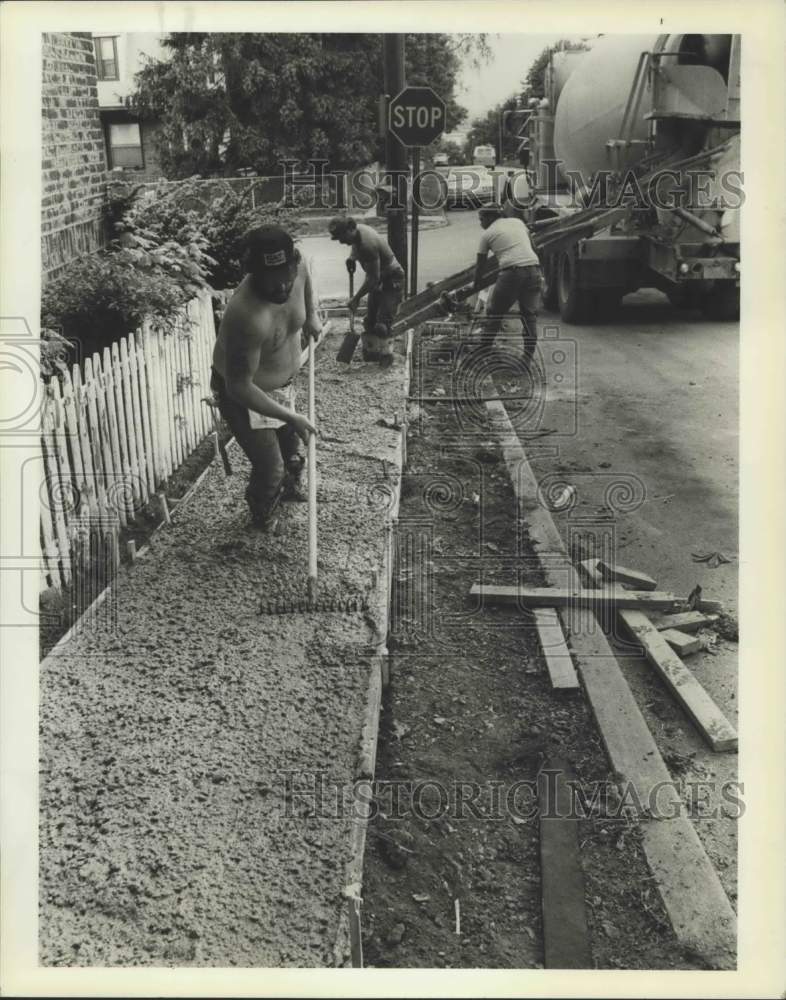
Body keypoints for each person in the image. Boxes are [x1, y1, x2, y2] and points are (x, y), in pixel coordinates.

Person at [211, 225, 321, 529]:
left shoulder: (297, 270)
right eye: (270, 282)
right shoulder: (245, 315)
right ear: (253, 273)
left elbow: (305, 276)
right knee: (270, 466)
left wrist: (310, 314)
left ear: (293, 262)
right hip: (244, 396)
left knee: (290, 450)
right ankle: (261, 514)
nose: (281, 288)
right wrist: (291, 416)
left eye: (285, 277)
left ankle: (289, 489)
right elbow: (239, 387)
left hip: (282, 386)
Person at [328, 215, 405, 366]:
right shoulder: (358, 232)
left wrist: (356, 299)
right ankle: (372, 355)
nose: (341, 241)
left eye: (341, 237)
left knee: (382, 325)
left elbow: (373, 279)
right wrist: (352, 258)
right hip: (379, 278)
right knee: (369, 322)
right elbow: (354, 247)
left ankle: (386, 357)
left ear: (350, 229)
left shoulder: (367, 245)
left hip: (392, 280)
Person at [472, 203, 542, 363]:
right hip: (533, 270)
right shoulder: (518, 222)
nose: (480, 223)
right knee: (529, 316)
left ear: (490, 218)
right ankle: (527, 358)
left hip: (512, 273)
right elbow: (534, 248)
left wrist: (477, 284)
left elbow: (480, 265)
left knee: (494, 313)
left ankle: (483, 352)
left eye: (481, 219)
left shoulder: (487, 234)